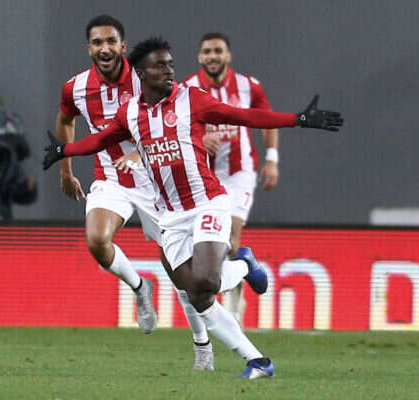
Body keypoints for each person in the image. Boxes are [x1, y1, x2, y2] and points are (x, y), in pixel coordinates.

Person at [43, 37, 343, 378]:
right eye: (159, 65)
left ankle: (243, 278)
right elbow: (99, 140)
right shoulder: (130, 114)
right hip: (171, 217)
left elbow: (244, 116)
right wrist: (64, 152)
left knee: (208, 282)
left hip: (207, 204)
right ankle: (258, 357)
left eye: (170, 64)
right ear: (141, 73)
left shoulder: (192, 99)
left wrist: (298, 119)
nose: (169, 70)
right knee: (198, 297)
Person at [55, 16, 264, 371]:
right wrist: (65, 170)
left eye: (111, 41)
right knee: (97, 240)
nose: (104, 48)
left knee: (184, 277)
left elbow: (177, 115)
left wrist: (144, 152)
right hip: (111, 178)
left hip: (158, 186)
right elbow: (65, 120)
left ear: (122, 46)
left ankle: (202, 347)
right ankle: (140, 288)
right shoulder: (75, 88)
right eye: (97, 42)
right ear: (89, 48)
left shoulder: (146, 76)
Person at [183, 32, 280, 326]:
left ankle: (233, 310)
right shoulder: (187, 88)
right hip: (203, 176)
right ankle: (237, 278)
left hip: (239, 173)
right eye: (207, 51)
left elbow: (268, 120)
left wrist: (272, 159)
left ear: (228, 55)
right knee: (203, 244)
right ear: (200, 57)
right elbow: (176, 129)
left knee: (229, 240)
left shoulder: (249, 86)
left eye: (218, 50)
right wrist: (200, 139)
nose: (212, 56)